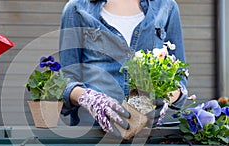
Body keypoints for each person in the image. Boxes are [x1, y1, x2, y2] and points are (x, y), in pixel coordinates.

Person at [59, 0, 188, 134]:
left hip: (147, 133)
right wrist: (90, 99)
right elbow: (66, 81)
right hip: (92, 132)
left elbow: (180, 76)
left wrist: (166, 97)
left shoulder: (166, 7)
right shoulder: (76, 9)